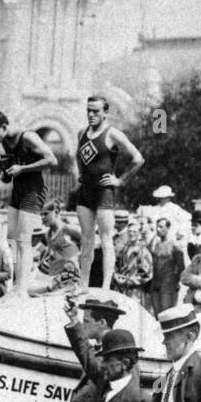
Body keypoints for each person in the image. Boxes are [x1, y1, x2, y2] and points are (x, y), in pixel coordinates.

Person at [70, 96, 143, 292]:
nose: (91, 115)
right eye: (89, 111)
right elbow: (79, 158)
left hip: (104, 194)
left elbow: (138, 159)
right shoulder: (81, 133)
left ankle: (105, 287)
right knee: (86, 240)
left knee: (106, 240)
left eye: (96, 111)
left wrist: (120, 180)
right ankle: (83, 284)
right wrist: (80, 177)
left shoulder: (113, 134)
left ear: (105, 113)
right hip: (85, 193)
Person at [0, 109, 57, 298]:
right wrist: (2, 174)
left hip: (33, 191)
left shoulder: (28, 137)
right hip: (18, 191)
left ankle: (23, 287)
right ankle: (18, 282)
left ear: (4, 126)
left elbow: (52, 160)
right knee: (11, 239)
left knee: (24, 241)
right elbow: (9, 174)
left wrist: (22, 168)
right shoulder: (6, 141)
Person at [147, 215, 187, 315]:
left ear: (168, 228)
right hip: (155, 283)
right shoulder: (156, 244)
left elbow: (181, 267)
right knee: (156, 314)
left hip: (168, 284)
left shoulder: (174, 245)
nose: (158, 229)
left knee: (166, 314)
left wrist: (176, 282)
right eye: (157, 226)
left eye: (161, 227)